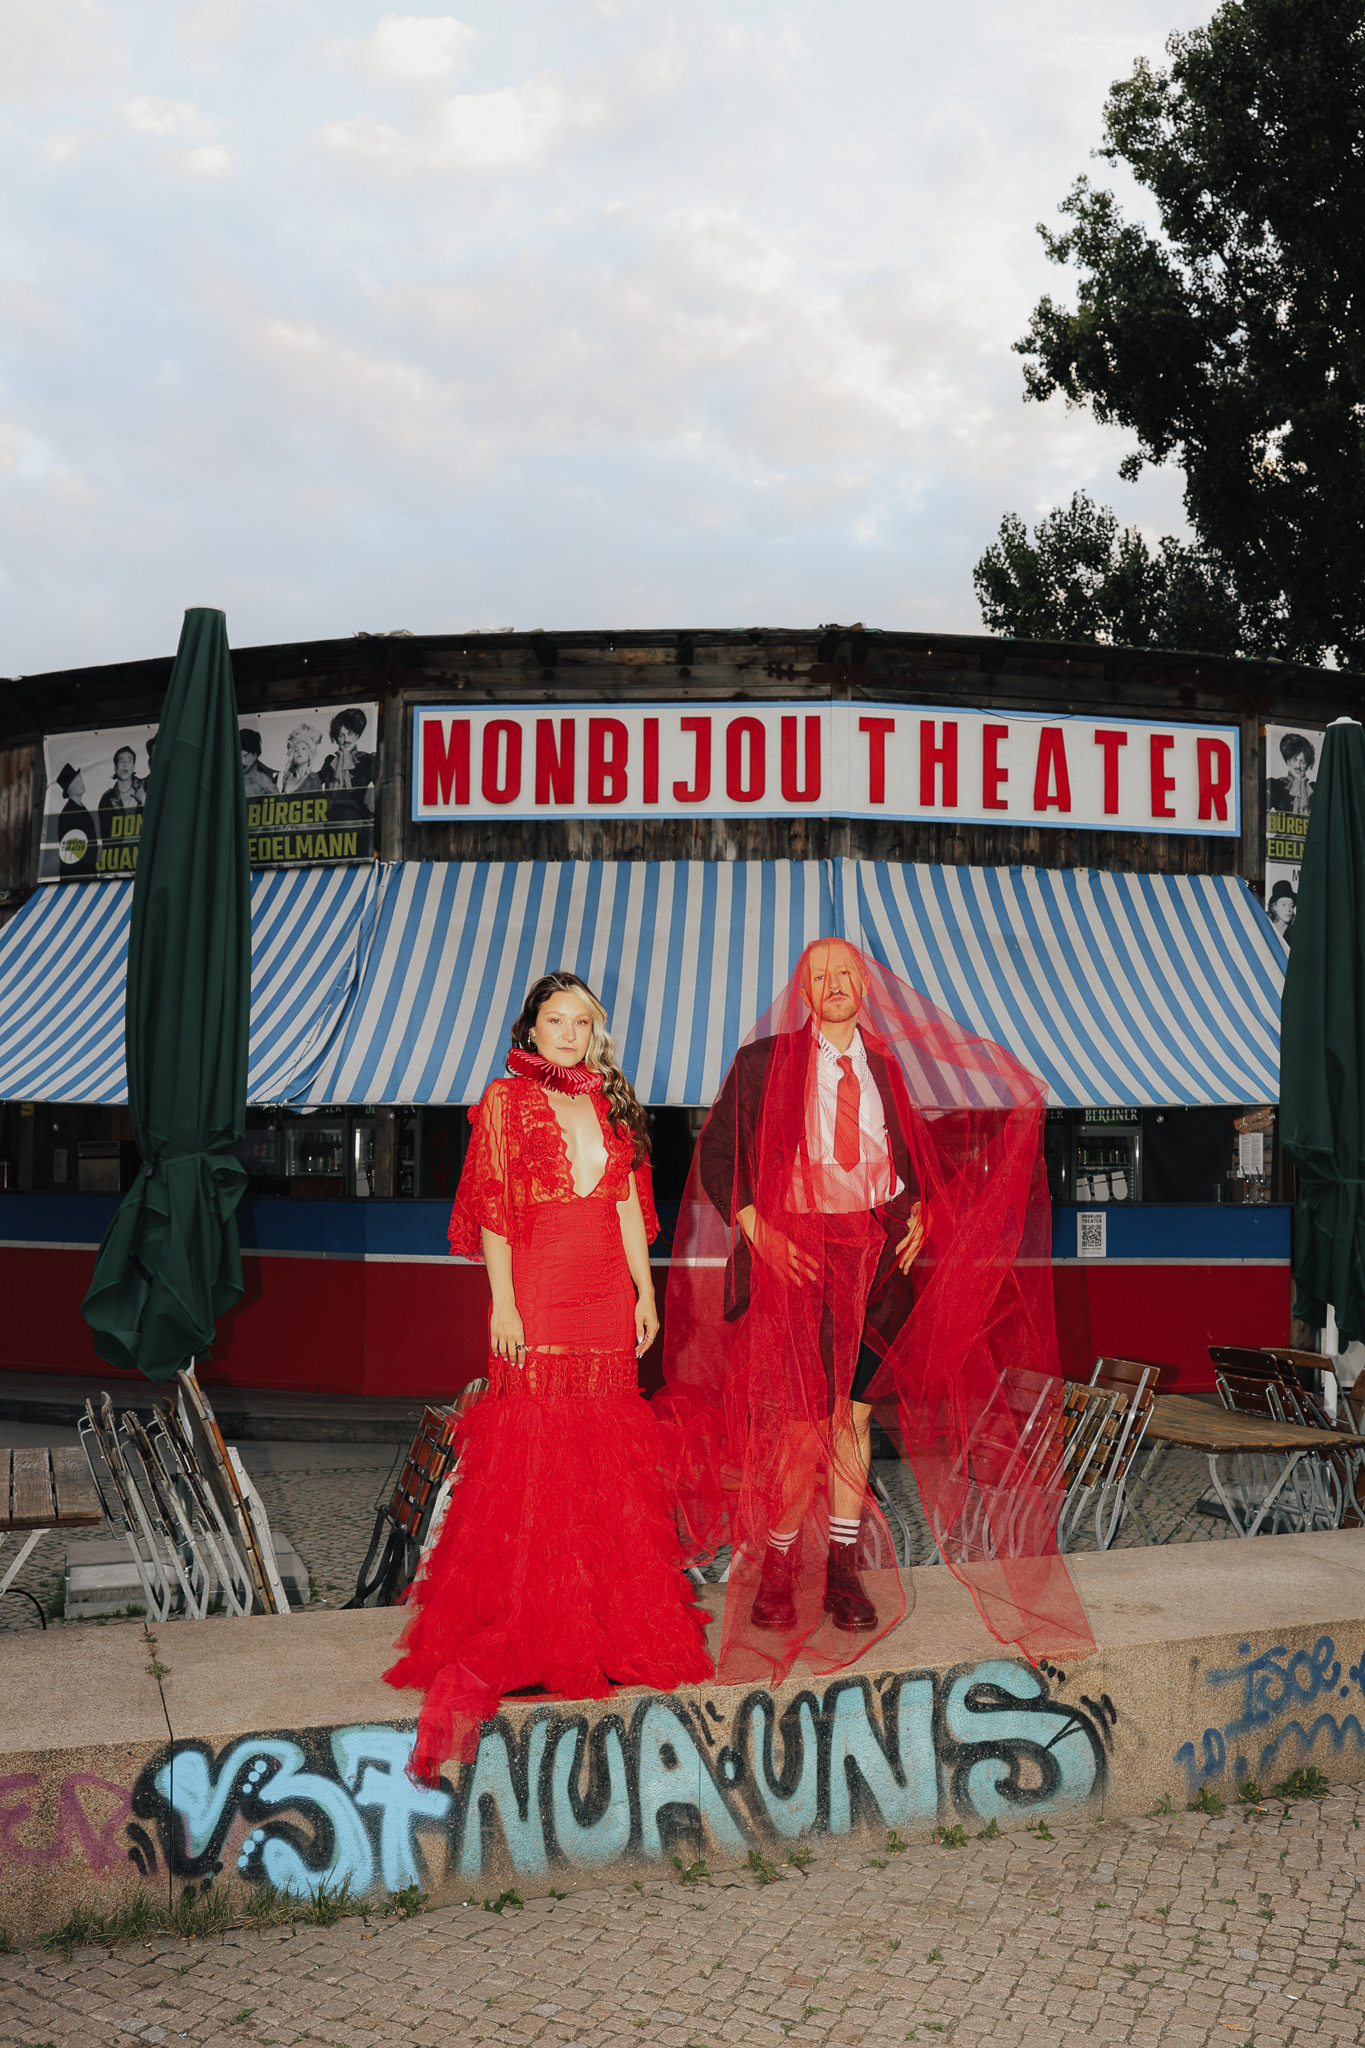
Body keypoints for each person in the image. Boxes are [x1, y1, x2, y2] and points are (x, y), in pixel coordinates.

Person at [659, 937, 1094, 1691]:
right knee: (797, 1424)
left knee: (851, 1420)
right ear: (803, 990)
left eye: (845, 974)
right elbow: (718, 1149)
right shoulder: (764, 1062)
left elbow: (903, 1159)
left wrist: (918, 1206)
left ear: (865, 985)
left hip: (877, 1266)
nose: (834, 985)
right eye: (820, 976)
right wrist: (756, 1227)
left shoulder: (886, 1068)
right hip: (794, 1265)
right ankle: (780, 1563)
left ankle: (842, 1567)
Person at [386, 971, 712, 1779]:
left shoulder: (610, 1101)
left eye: (582, 1022)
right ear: (530, 1029)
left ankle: (602, 1631)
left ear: (594, 1033)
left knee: (603, 1457)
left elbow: (630, 1204)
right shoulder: (504, 1101)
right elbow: (494, 1207)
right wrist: (501, 1303)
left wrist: (645, 1289)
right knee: (532, 1457)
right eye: (555, 1020)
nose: (568, 1032)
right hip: (534, 1289)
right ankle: (529, 1632)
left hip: (605, 1293)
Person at [319, 707, 376, 820]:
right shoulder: (330, 761)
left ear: (357, 735)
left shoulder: (367, 760)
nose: (345, 740)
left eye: (349, 734)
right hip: (329, 820)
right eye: (341, 735)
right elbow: (315, 780)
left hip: (355, 820)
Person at [52, 764, 98, 876]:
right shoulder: (69, 814)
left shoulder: (80, 806)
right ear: (69, 790)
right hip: (79, 873)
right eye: (76, 782)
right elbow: (72, 851)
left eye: (80, 779)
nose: (81, 783)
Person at [97, 745, 146, 841]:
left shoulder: (146, 788)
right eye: (122, 761)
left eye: (129, 761)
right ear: (115, 767)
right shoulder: (107, 799)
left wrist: (144, 800)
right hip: (121, 854)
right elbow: (106, 839)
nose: (125, 765)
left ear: (133, 767)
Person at [1267, 733, 1316, 818]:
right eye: (1295, 760)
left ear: (1307, 764)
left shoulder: (1314, 789)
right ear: (1288, 761)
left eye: (1303, 761)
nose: (1298, 766)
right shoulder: (1275, 785)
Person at [280, 723, 324, 794]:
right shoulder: (287, 777)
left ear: (310, 754)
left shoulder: (314, 778)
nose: (299, 752)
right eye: (296, 750)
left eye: (303, 748)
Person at [240, 729, 279, 798]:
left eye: (245, 756)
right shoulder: (229, 775)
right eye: (238, 756)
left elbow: (281, 803)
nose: (241, 761)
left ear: (255, 755)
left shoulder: (269, 776)